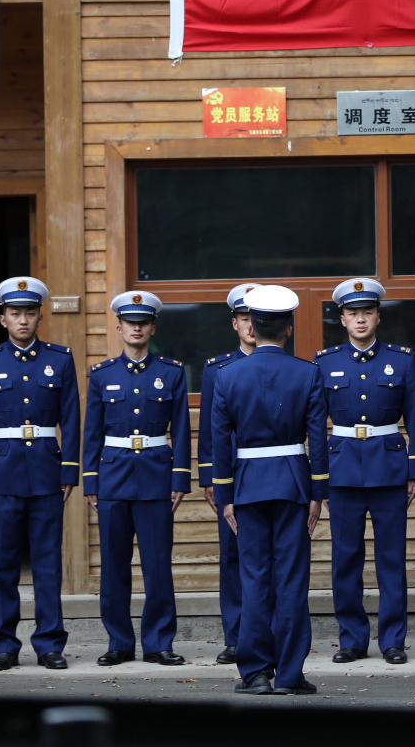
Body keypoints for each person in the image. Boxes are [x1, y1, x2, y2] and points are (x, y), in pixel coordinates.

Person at [211, 285, 329, 695]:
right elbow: (318, 439)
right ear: (288, 329)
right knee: (292, 581)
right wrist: (317, 493)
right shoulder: (308, 372)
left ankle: (255, 672)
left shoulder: (227, 375)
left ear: (253, 327)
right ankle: (290, 675)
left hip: (247, 486)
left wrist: (224, 497)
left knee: (254, 579)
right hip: (294, 483)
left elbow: (219, 442)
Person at [0, 275, 81, 671]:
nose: (22, 320)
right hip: (3, 474)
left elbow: (71, 418)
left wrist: (69, 471)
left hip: (47, 472)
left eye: (30, 313)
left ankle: (49, 644)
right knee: (4, 565)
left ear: (39, 317)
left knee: (48, 564)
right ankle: (4, 644)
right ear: (3, 319)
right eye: (15, 313)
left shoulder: (60, 359)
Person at [316, 277, 415, 664]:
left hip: (389, 468)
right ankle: (352, 640)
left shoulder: (403, 360)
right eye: (353, 313)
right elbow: (315, 424)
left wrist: (414, 471)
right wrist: (320, 476)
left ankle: (393, 640)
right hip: (342, 469)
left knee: (391, 559)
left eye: (367, 312)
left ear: (378, 316)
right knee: (345, 559)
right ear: (342, 319)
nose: (360, 319)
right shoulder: (325, 362)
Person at [83, 290, 190, 666]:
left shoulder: (171, 372)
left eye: (143, 323)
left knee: (158, 565)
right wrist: (91, 481)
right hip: (112, 477)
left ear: (152, 328)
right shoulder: (102, 374)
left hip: (156, 478)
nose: (137, 329)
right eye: (130, 323)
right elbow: (92, 433)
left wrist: (179, 480)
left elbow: (181, 430)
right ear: (119, 328)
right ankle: (119, 642)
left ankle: (158, 642)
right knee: (114, 566)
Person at [198, 282, 259, 664]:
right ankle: (236, 637)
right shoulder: (217, 369)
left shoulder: (285, 365)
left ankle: (267, 632)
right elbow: (208, 429)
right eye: (244, 318)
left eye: (256, 318)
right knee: (232, 556)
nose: (251, 325)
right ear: (235, 323)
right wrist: (210, 478)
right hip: (231, 476)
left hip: (271, 473)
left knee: (272, 557)